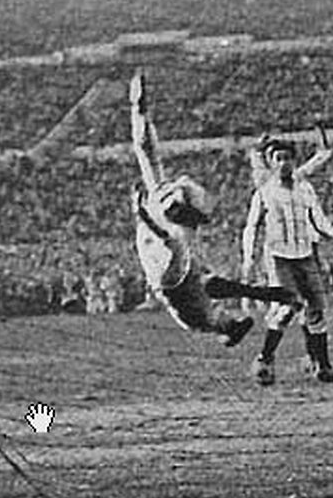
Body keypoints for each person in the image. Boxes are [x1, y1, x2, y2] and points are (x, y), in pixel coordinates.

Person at [128, 70, 300, 347]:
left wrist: (143, 215)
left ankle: (139, 113)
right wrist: (270, 295)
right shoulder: (197, 292)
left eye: (229, 319)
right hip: (163, 220)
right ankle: (139, 112)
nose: (228, 313)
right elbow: (219, 286)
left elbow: (172, 245)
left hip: (161, 230)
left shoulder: (191, 304)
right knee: (148, 155)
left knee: (151, 159)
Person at [241, 138, 333, 385]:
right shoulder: (264, 192)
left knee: (316, 309)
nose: (284, 163)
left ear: (294, 161)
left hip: (304, 256)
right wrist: (249, 259)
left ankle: (322, 367)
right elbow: (251, 227)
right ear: (271, 163)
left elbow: (318, 219)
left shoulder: (304, 189)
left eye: (288, 158)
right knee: (287, 307)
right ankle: (264, 360)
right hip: (278, 258)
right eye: (278, 158)